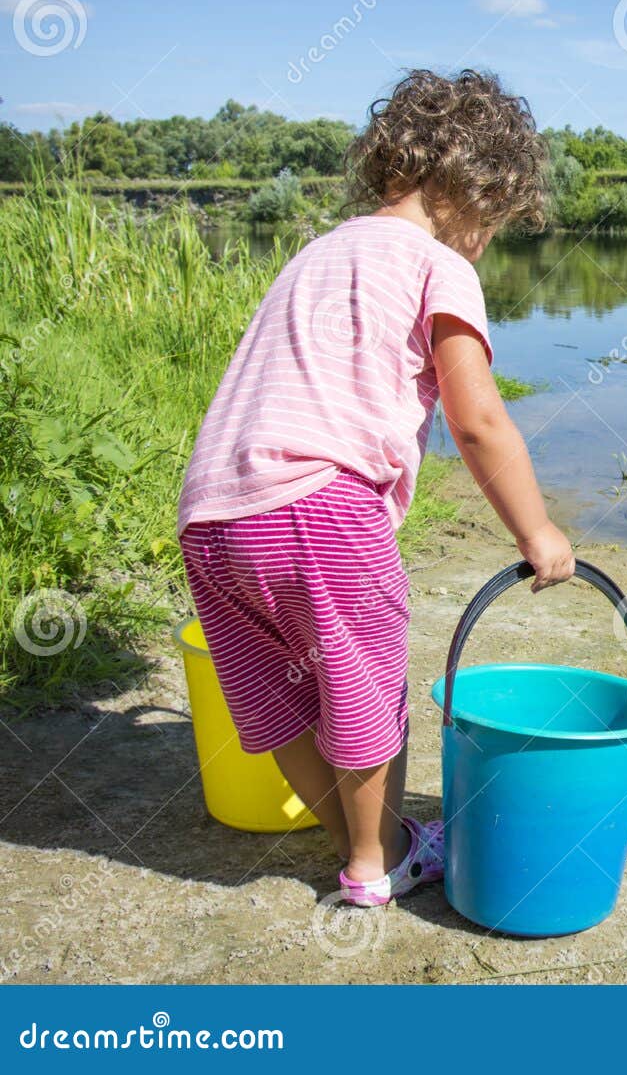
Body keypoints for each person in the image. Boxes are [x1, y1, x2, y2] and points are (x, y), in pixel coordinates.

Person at [177, 69, 574, 906]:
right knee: (361, 683)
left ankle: (373, 842)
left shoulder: (314, 254)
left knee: (277, 696)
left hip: (213, 511)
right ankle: (372, 866)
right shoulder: (439, 266)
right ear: (481, 186)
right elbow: (478, 422)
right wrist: (538, 531)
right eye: (495, 224)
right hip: (321, 504)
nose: (486, 243)